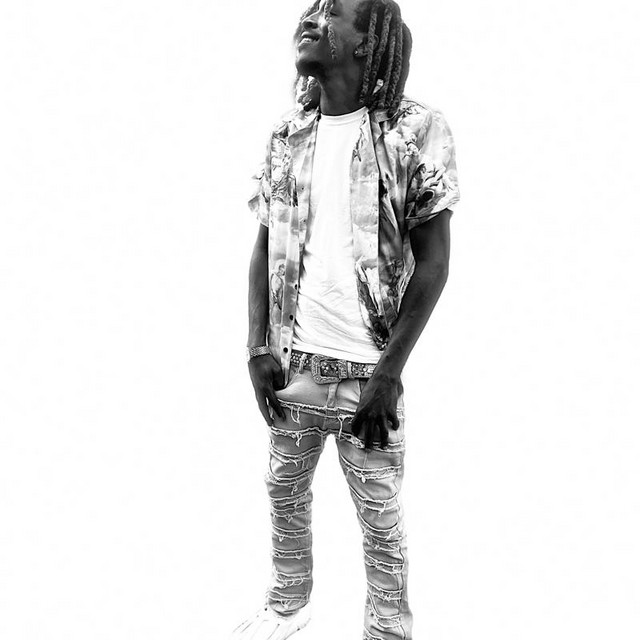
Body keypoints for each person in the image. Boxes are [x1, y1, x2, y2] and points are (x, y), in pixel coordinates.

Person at [236, 0, 459, 638]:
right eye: (313, 10)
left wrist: (388, 374)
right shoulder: (289, 133)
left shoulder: (414, 131)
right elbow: (263, 246)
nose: (313, 19)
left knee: (380, 520)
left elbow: (434, 263)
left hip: (368, 378)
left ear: (367, 42)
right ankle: (289, 606)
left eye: (333, 13)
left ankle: (387, 631)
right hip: (295, 367)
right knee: (283, 494)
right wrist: (257, 348)